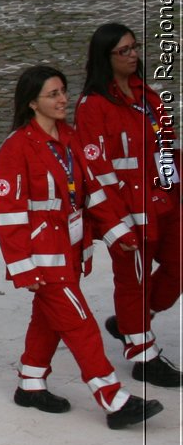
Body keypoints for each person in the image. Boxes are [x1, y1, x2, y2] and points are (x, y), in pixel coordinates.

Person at [0, 64, 159, 429]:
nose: (63, 99)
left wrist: (119, 232)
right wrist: (23, 267)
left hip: (70, 250)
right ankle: (113, 398)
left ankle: (31, 384)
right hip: (43, 257)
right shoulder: (16, 148)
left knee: (48, 319)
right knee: (80, 323)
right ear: (32, 103)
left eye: (63, 91)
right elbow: (9, 214)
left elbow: (93, 191)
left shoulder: (70, 137)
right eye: (53, 94)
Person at [76, 23, 182, 389]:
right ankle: (143, 356)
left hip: (164, 202)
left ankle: (131, 322)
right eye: (124, 50)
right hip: (127, 214)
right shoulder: (93, 107)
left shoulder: (146, 95)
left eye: (134, 47)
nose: (133, 54)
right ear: (105, 58)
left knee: (178, 266)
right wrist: (115, 225)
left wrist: (176, 191)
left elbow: (165, 145)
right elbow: (96, 171)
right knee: (132, 282)